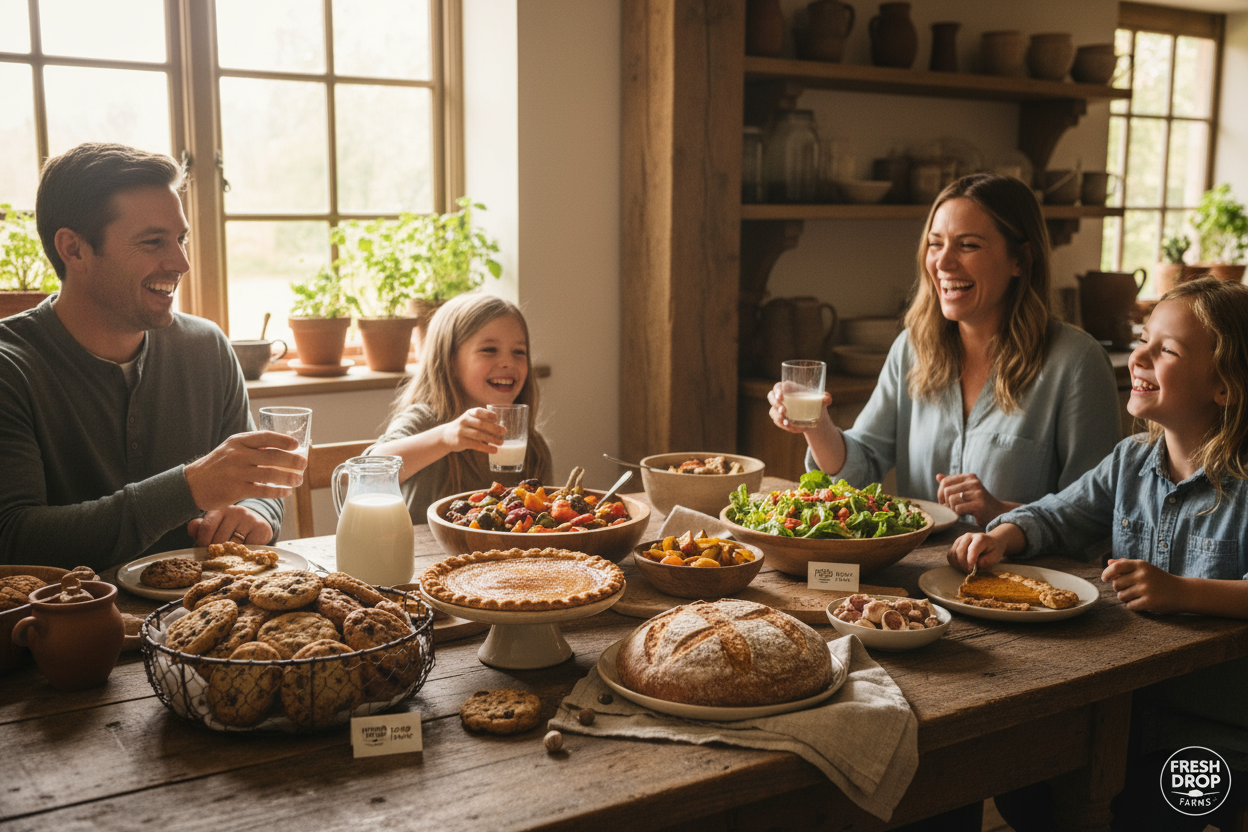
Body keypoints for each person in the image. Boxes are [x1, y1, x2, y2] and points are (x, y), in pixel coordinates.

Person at [950, 277, 1248, 832]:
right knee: (1027, 793)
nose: (1139, 356)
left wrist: (1182, 592)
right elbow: (1058, 513)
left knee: (1144, 815)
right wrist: (1005, 535)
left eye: (1167, 350)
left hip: (1220, 733)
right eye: (1143, 339)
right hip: (1123, 706)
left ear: (1224, 387)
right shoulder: (1130, 460)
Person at [0, 142, 303, 571]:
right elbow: (13, 539)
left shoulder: (207, 347)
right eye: (152, 242)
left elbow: (255, 483)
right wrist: (188, 489)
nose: (181, 262)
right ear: (74, 249)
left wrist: (256, 514)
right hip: (71, 614)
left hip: (201, 603)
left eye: (180, 239)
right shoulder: (10, 367)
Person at [769, 173, 1121, 526]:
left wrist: (1004, 514)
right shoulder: (911, 350)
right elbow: (858, 474)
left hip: (1027, 565)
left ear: (1021, 259)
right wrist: (816, 423)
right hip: (921, 562)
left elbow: (1096, 514)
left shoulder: (1077, 363)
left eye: (968, 245)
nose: (943, 262)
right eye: (935, 244)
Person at [369, 291, 552, 523]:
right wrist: (444, 438)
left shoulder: (533, 448)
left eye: (519, 352)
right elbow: (367, 475)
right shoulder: (424, 421)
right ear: (449, 360)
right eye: (489, 350)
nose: (508, 362)